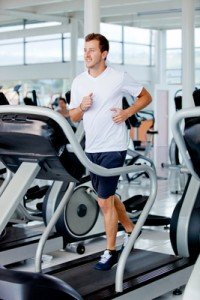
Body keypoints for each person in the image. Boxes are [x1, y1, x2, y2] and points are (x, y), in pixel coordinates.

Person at [69, 33, 152, 271]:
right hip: (92, 147)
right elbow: (74, 116)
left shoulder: (118, 77)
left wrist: (127, 113)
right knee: (109, 196)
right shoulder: (79, 81)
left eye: (92, 50)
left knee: (104, 201)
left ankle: (110, 252)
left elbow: (146, 97)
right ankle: (131, 229)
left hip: (114, 146)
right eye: (85, 49)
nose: (87, 54)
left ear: (104, 53)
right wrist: (82, 108)